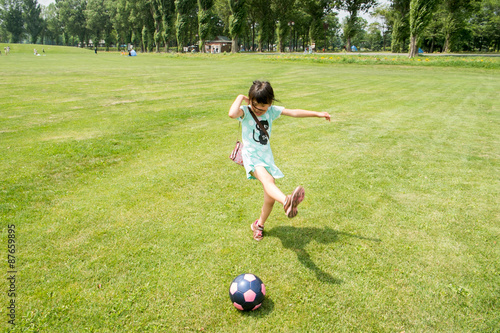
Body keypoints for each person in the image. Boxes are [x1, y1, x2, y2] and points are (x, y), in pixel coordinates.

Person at [228, 80, 331, 241]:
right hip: (252, 157)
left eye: (262, 107)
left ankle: (258, 225)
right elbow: (232, 114)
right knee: (268, 180)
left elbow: (294, 112)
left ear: (270, 103)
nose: (258, 110)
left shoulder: (271, 111)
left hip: (266, 157)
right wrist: (241, 97)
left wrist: (318, 114)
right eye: (255, 106)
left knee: (269, 197)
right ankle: (286, 201)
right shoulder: (245, 111)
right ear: (250, 101)